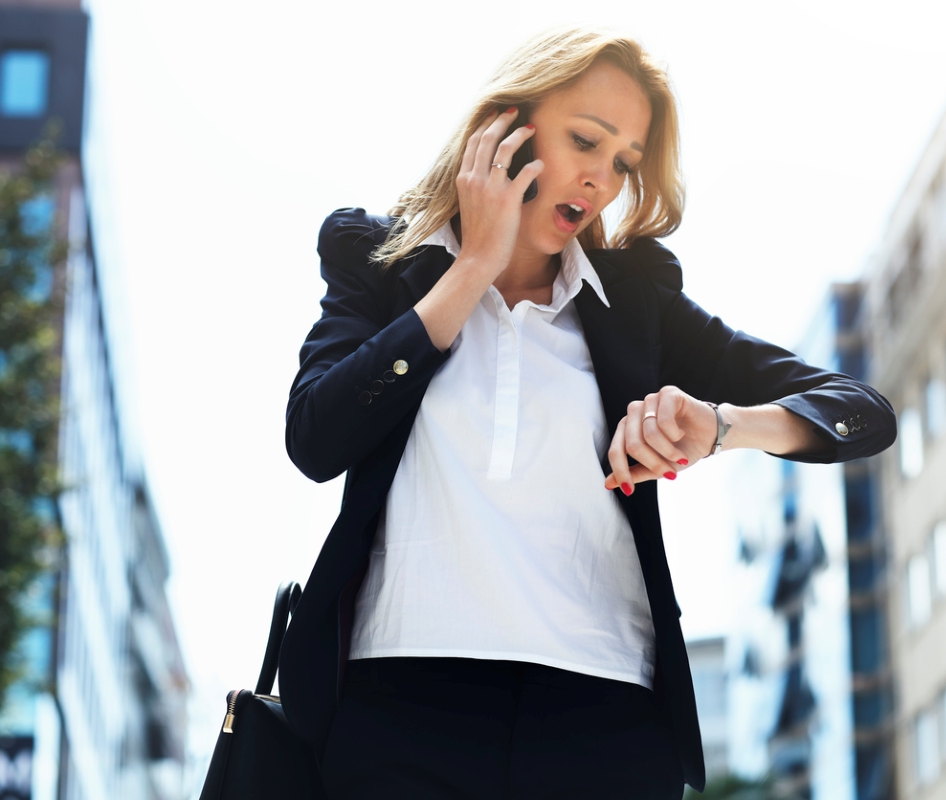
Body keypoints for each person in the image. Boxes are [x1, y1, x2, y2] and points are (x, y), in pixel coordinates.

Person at [280, 26, 896, 800]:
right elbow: (315, 438)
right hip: (400, 709)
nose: (601, 179)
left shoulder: (632, 303)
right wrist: (472, 268)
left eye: (624, 163)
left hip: (604, 721)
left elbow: (861, 412)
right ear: (505, 123)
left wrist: (722, 427)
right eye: (585, 141)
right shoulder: (379, 263)